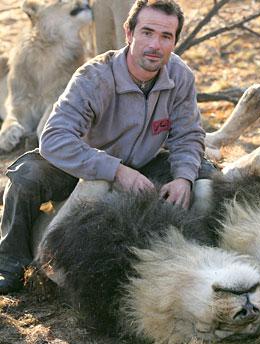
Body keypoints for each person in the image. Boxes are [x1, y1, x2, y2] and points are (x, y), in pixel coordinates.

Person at [0, 0, 216, 294]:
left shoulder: (180, 76)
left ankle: (203, 250)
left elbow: (189, 135)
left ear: (174, 41)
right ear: (129, 33)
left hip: (144, 162)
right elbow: (54, 138)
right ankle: (10, 262)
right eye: (147, 33)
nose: (155, 44)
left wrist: (183, 177)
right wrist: (116, 171)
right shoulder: (93, 76)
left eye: (166, 37)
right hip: (85, 163)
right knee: (25, 175)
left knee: (205, 173)